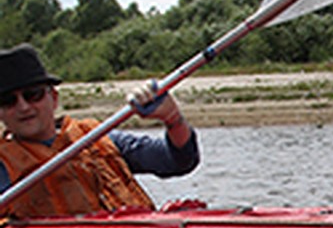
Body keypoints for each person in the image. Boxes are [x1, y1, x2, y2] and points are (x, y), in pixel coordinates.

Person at [0, 43, 200, 218]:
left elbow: (179, 161)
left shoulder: (96, 136)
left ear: (53, 98)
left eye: (32, 95)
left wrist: (172, 118)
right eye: (8, 101)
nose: (23, 107)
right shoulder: (3, 164)